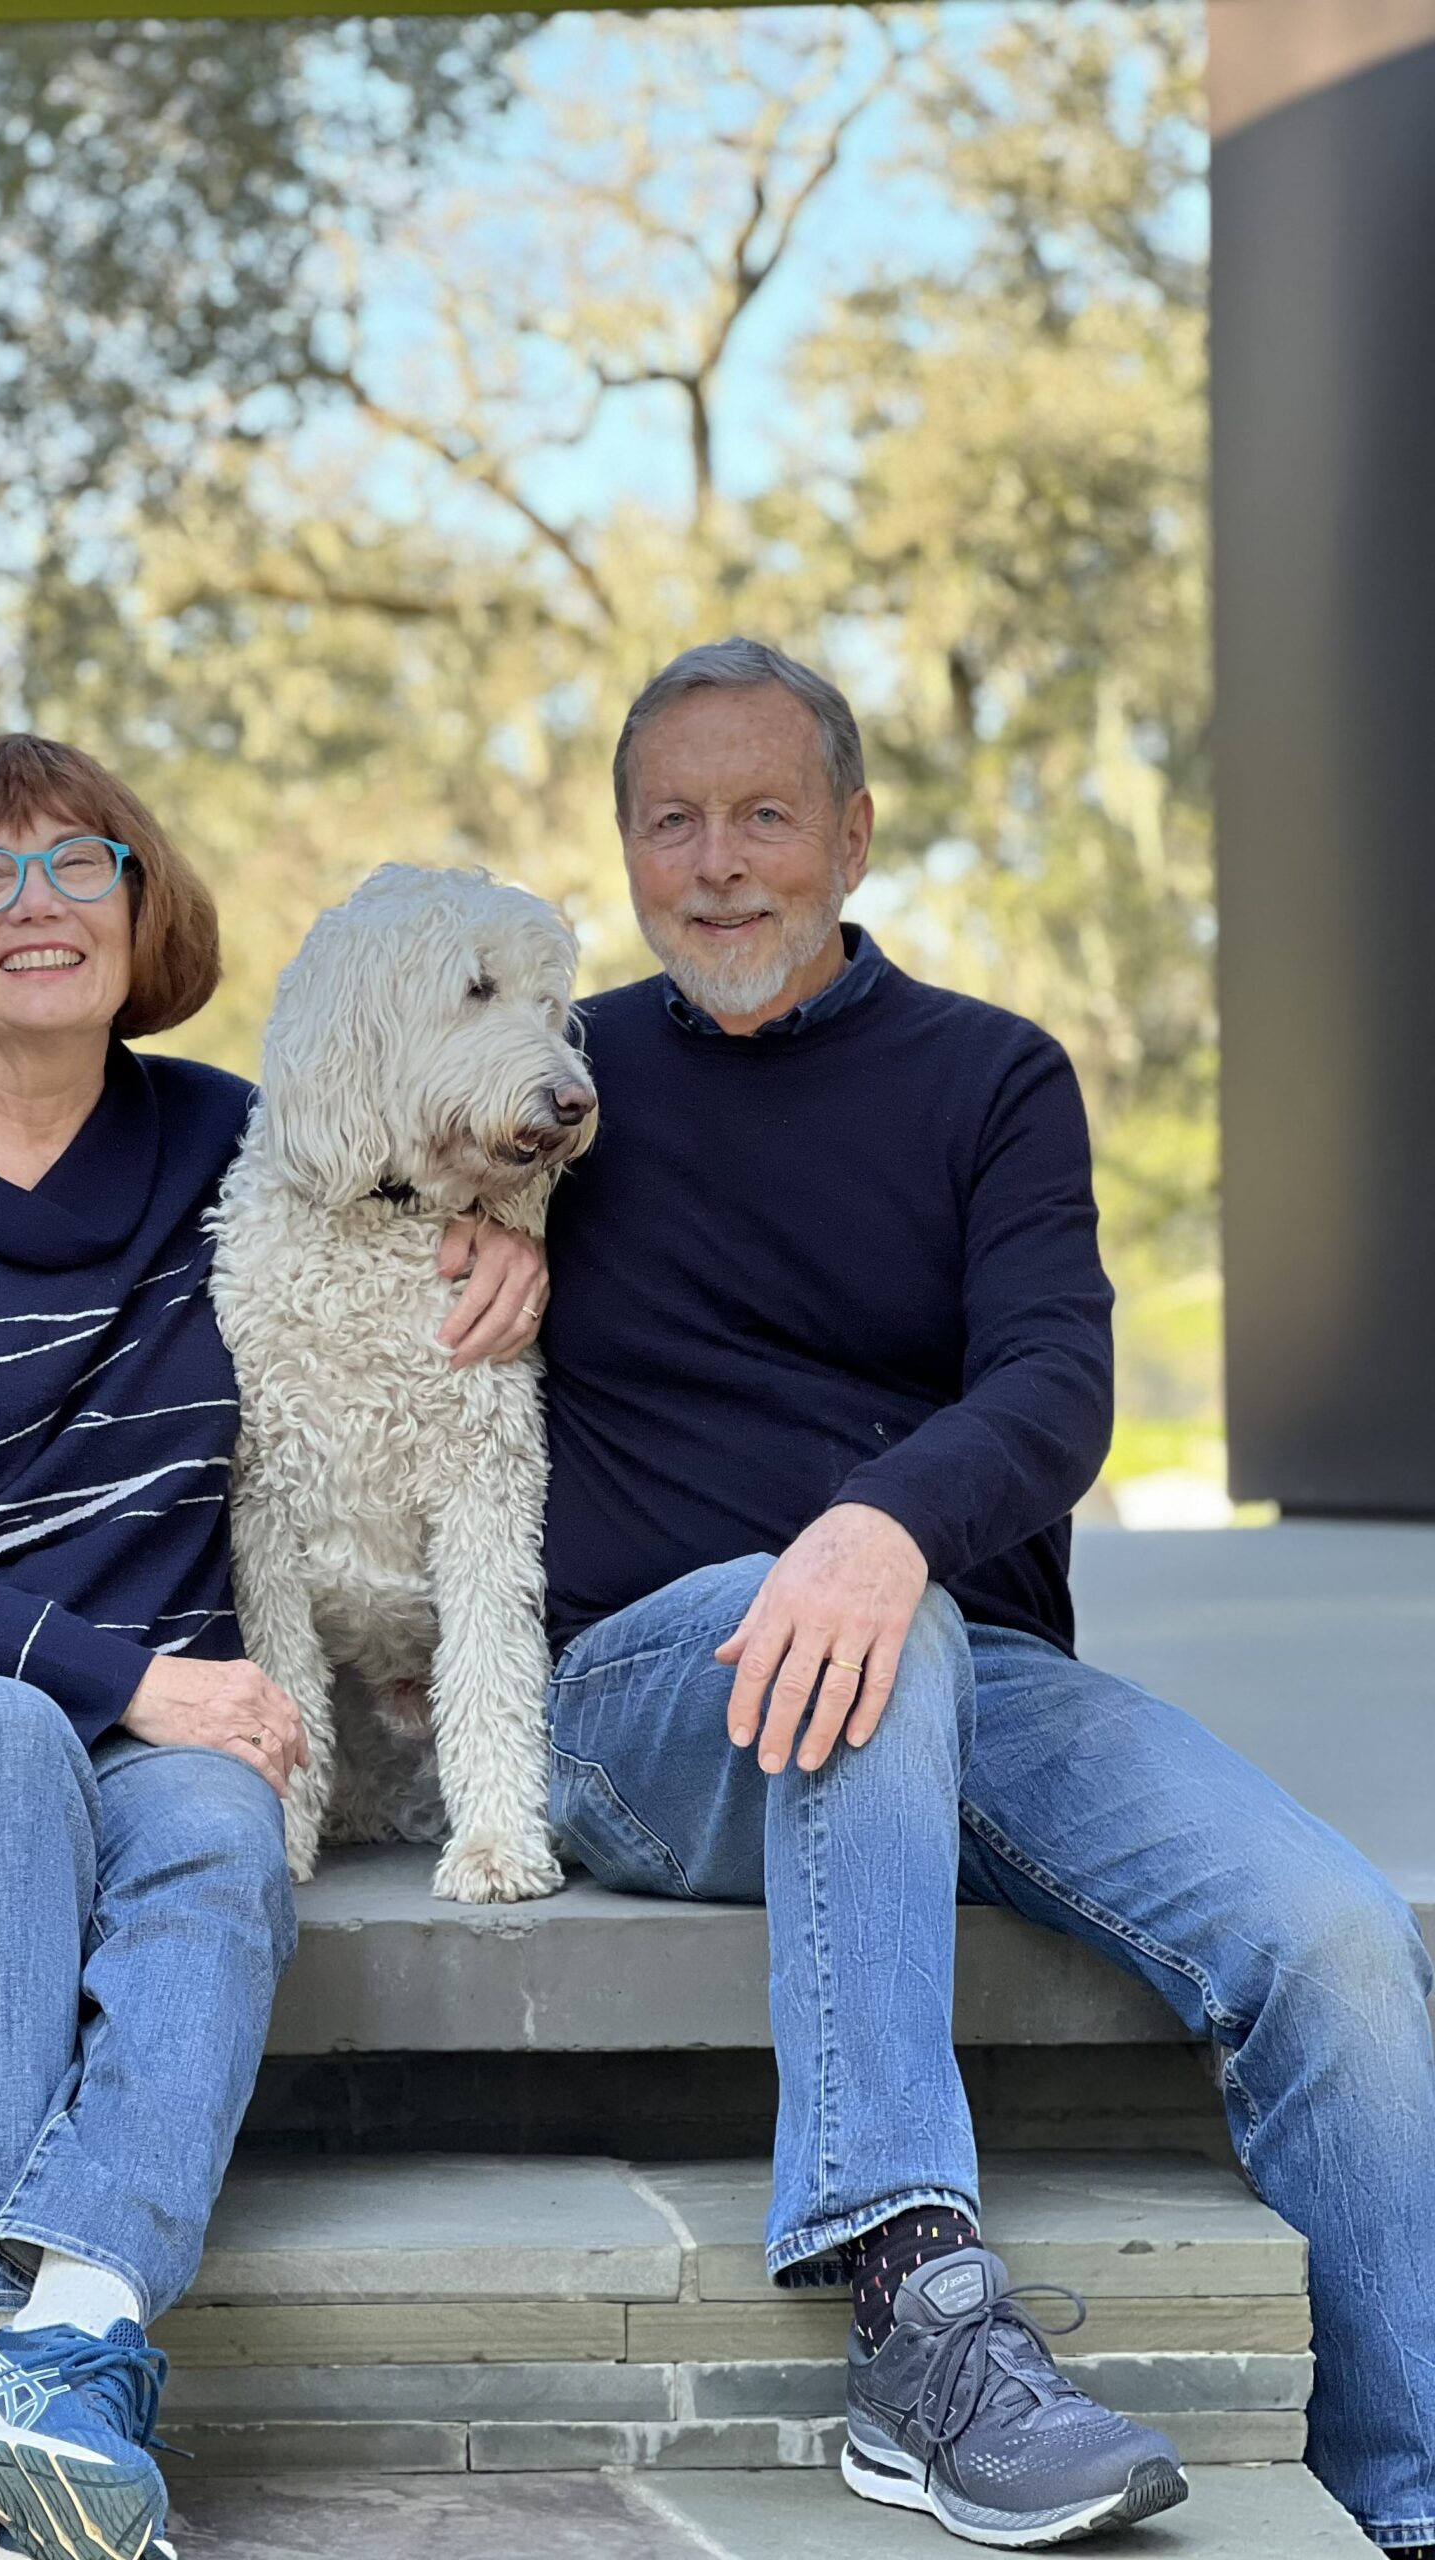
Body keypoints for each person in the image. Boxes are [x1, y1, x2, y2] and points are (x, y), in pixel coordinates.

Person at [539, 639, 1435, 2555]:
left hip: (964, 1665)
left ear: (854, 837)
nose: (715, 865)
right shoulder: (564, 1082)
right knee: (874, 1643)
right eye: (668, 823)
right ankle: (916, 2315)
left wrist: (876, 1529)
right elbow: (323, 1189)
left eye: (764, 815)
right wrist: (444, 1243)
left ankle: (1412, 2498)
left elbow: (1053, 1384)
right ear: (623, 853)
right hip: (644, 1710)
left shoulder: (989, 1079)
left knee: (1338, 1938)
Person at [0, 734, 544, 2560]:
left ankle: (73, 2347)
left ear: (147, 908)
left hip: (144, 1733)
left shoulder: (241, 1141)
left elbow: (450, 1153)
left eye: (84, 864)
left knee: (224, 1818)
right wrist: (122, 1678)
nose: (38, 905)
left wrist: (522, 1248)